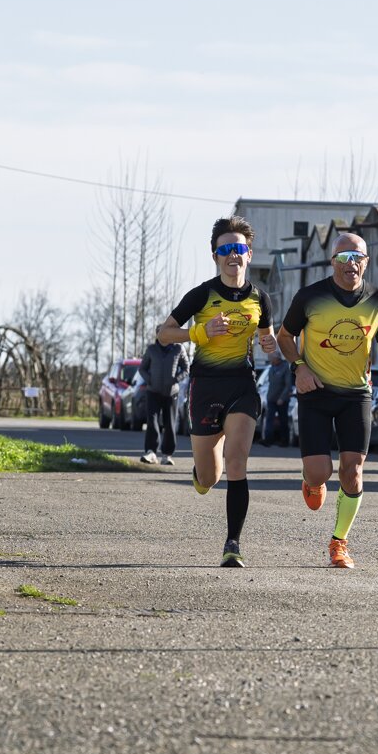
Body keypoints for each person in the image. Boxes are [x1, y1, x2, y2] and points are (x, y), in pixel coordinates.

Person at [276, 232, 378, 569]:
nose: (352, 263)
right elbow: (284, 336)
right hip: (315, 392)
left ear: (367, 262)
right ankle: (311, 480)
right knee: (321, 472)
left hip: (356, 395)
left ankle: (339, 543)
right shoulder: (310, 297)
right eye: (344, 257)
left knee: (353, 471)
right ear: (332, 262)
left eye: (357, 257)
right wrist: (299, 367)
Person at [156, 217, 277, 568]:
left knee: (237, 463)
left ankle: (232, 545)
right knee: (210, 477)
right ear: (215, 257)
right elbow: (164, 333)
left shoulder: (260, 298)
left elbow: (267, 338)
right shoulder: (202, 294)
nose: (232, 255)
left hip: (242, 386)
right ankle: (202, 473)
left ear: (249, 254)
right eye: (225, 250)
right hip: (205, 387)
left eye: (238, 248)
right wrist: (200, 332)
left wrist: (271, 347)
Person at [138, 336, 190, 465]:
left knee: (170, 423)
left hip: (171, 393)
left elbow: (186, 368)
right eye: (159, 332)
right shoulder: (151, 349)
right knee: (152, 421)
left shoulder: (178, 349)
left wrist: (176, 379)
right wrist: (149, 380)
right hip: (153, 391)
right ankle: (151, 452)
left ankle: (167, 454)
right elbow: (142, 368)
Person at [262, 349, 293, 446]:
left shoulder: (285, 367)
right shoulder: (271, 367)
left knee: (283, 420)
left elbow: (288, 385)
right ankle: (268, 440)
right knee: (269, 419)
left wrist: (282, 398)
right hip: (271, 398)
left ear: (277, 358)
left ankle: (284, 440)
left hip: (281, 400)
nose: (270, 360)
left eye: (271, 358)